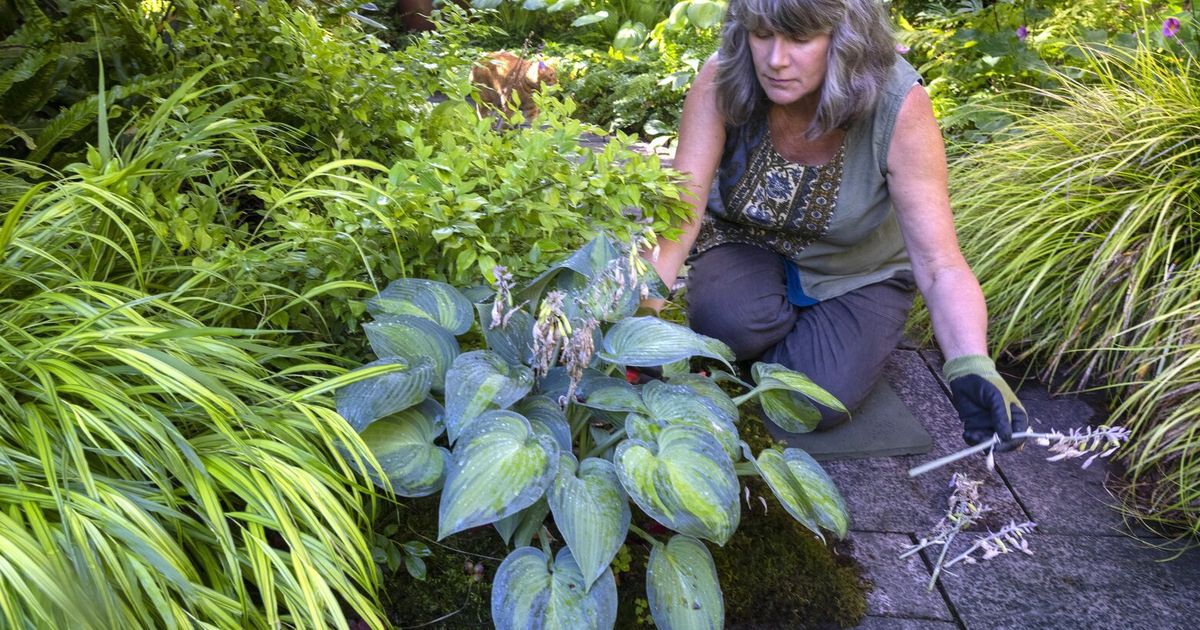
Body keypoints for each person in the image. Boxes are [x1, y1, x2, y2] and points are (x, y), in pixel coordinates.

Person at [647, 0, 1028, 450]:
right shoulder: (723, 77)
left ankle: (816, 339)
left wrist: (971, 364)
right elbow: (681, 212)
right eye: (763, 34)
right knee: (724, 324)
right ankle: (767, 326)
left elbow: (939, 262)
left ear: (845, 41)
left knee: (812, 403)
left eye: (801, 39)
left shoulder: (898, 106)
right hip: (746, 241)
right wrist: (642, 318)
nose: (776, 60)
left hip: (859, 270)